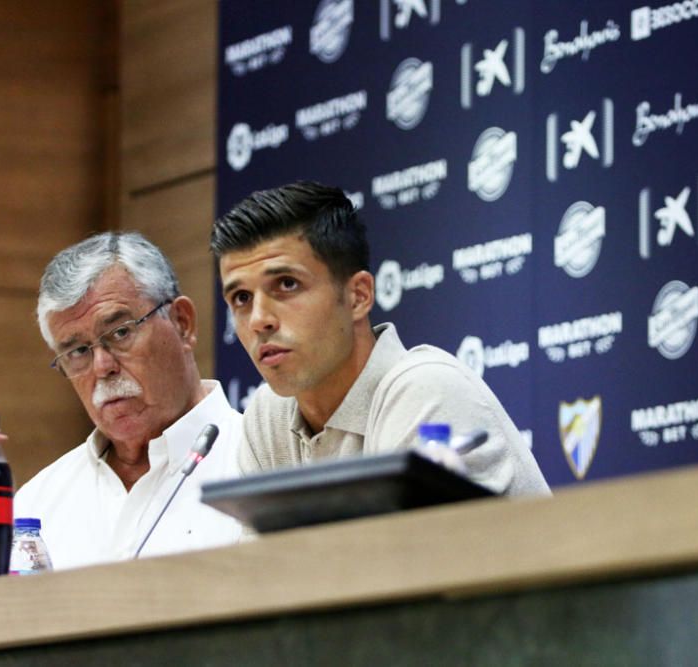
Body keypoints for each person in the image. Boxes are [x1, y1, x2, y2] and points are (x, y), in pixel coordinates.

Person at [211, 181, 550, 495]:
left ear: (358, 296)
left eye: (287, 284)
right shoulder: (268, 416)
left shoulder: (426, 389)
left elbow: (404, 556)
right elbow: (258, 561)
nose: (259, 320)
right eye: (241, 298)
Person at [15, 232, 246, 569]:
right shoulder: (36, 506)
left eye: (120, 333)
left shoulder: (259, 461)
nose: (102, 367)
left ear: (182, 323)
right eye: (77, 351)